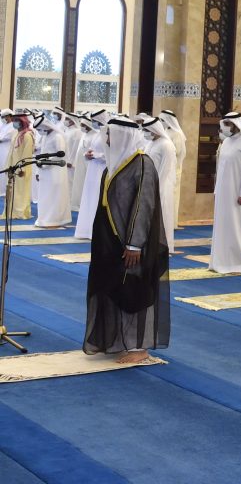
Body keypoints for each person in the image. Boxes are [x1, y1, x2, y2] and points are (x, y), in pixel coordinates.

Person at [84, 117, 169, 363]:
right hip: (108, 241)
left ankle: (138, 347)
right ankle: (114, 339)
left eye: (110, 135)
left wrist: (134, 243)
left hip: (130, 244)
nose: (106, 140)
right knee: (110, 287)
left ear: (123, 136)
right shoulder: (114, 165)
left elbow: (143, 207)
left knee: (134, 290)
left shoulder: (142, 164)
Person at [209, 112, 241, 274]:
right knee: (223, 226)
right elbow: (220, 169)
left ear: (236, 125)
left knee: (237, 227)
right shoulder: (227, 142)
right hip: (224, 193)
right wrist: (217, 189)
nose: (225, 128)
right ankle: (221, 262)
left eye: (228, 124)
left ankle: (237, 264)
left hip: (239, 195)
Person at [142, 117, 177, 252]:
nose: (145, 132)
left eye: (146, 129)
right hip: (149, 185)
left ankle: (163, 247)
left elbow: (165, 169)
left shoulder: (166, 145)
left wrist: (157, 188)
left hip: (161, 187)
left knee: (163, 217)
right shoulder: (150, 143)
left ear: (154, 130)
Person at [32, 115, 71, 227]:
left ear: (45, 126)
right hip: (44, 171)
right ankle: (45, 218)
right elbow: (42, 153)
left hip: (55, 171)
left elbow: (61, 155)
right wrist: (38, 171)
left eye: (39, 129)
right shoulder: (46, 137)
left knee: (54, 195)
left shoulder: (57, 137)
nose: (39, 132)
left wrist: (45, 162)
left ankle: (55, 220)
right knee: (45, 195)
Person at [75, 110, 110, 239]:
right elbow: (92, 150)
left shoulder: (108, 134)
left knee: (97, 198)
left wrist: (96, 155)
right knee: (90, 198)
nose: (93, 123)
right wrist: (88, 155)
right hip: (93, 169)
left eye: (95, 121)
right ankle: (87, 230)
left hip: (102, 170)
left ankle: (95, 231)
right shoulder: (97, 134)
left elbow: (110, 155)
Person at [4, 111, 35, 220]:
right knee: (12, 190)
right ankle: (12, 212)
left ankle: (21, 212)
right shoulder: (16, 134)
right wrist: (9, 166)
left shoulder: (27, 136)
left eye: (17, 121)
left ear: (23, 122)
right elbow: (12, 152)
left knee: (21, 191)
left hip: (22, 170)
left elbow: (27, 156)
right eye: (14, 120)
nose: (14, 123)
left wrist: (22, 169)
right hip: (13, 167)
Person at [160, 110, 187, 224]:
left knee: (172, 194)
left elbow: (178, 151)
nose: (161, 122)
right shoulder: (165, 131)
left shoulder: (177, 133)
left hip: (174, 168)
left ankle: (172, 222)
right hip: (164, 167)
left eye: (163, 120)